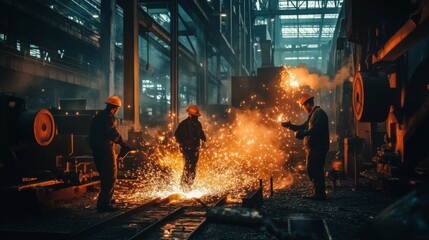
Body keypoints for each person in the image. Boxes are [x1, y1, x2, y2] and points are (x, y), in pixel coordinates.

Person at [281, 93, 329, 200]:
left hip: (318, 147)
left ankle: (319, 194)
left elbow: (316, 129)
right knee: (312, 169)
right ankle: (317, 191)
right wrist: (290, 126)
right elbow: (302, 127)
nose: (303, 109)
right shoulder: (312, 115)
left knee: (316, 169)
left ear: (306, 104)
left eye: (303, 107)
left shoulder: (319, 113)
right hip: (313, 147)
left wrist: (304, 133)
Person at [89, 96, 131, 212]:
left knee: (104, 177)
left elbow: (92, 134)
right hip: (106, 151)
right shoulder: (109, 117)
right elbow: (111, 132)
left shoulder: (98, 116)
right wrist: (123, 143)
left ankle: (105, 201)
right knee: (110, 177)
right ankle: (104, 205)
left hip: (97, 150)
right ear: (115, 108)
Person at [174, 105, 207, 192]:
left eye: (197, 116)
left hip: (195, 149)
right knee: (187, 167)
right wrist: (182, 145)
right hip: (186, 149)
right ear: (190, 115)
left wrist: (204, 138)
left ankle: (189, 185)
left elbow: (201, 133)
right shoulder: (183, 124)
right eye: (195, 116)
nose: (197, 118)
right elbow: (177, 136)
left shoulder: (198, 124)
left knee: (193, 167)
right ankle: (183, 185)